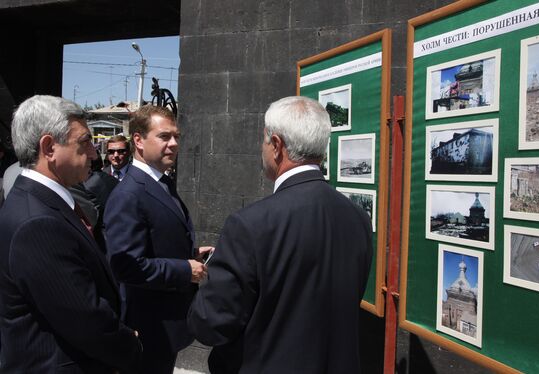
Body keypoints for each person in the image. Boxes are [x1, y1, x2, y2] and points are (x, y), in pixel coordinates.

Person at [187, 96, 374, 374]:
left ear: (276, 145)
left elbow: (211, 325)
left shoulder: (249, 224)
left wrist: (204, 277)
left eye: (264, 142)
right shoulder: (357, 216)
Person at [0, 95, 142, 373]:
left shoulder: (37, 202)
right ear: (49, 147)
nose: (93, 153)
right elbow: (82, 317)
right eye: (85, 142)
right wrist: (130, 343)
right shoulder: (37, 223)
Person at [104, 105, 210, 374]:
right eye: (164, 137)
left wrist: (191, 255)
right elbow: (126, 266)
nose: (174, 144)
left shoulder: (160, 182)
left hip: (166, 325)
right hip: (149, 328)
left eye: (176, 136)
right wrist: (184, 270)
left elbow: (153, 241)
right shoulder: (129, 195)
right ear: (138, 140)